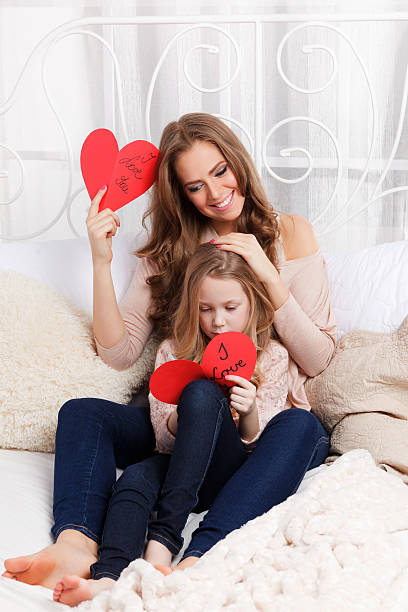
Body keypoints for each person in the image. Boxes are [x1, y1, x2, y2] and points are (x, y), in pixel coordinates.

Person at [3, 112, 335, 591]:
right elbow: (119, 354)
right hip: (182, 414)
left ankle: (199, 554)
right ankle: (75, 543)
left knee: (303, 427)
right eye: (195, 186)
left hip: (260, 418)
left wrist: (267, 274)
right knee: (82, 414)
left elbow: (320, 358)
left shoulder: (292, 234)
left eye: (221, 171)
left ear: (238, 161)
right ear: (181, 193)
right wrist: (102, 261)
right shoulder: (172, 250)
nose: (216, 192)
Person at [52, 242, 292, 605]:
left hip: (230, 467)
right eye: (205, 309)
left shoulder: (272, 357)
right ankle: (109, 576)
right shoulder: (172, 352)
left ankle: (162, 545)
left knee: (202, 394)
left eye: (230, 308)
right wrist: (190, 412)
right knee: (135, 478)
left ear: (252, 304)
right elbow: (163, 441)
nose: (218, 321)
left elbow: (260, 450)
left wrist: (249, 413)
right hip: (180, 460)